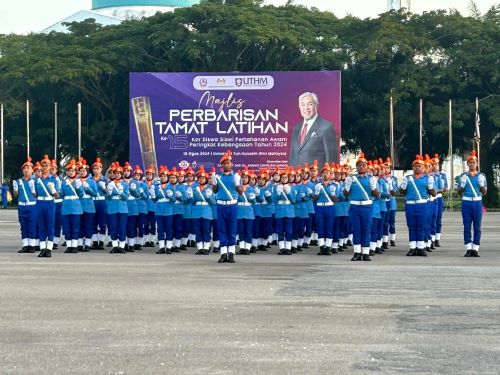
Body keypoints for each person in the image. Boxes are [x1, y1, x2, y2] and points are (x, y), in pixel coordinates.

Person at [343, 153, 380, 261]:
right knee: (356, 229)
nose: (361, 167)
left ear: (367, 166)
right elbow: (345, 194)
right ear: (356, 166)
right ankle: (357, 252)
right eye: (359, 165)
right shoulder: (351, 178)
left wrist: (373, 187)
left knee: (366, 229)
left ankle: (366, 253)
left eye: (363, 165)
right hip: (354, 206)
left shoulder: (371, 178)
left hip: (367, 206)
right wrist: (347, 186)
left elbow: (378, 195)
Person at [288, 92, 338, 167]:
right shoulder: (296, 128)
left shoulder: (327, 127)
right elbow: (292, 156)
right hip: (297, 177)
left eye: (310, 104)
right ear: (299, 107)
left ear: (317, 106)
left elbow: (331, 159)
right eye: (303, 105)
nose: (306, 108)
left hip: (317, 177)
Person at [399, 155, 436, 257]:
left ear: (423, 167)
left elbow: (433, 193)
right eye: (415, 166)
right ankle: (412, 247)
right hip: (410, 204)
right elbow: (401, 192)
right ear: (413, 167)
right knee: (411, 226)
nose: (417, 168)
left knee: (421, 226)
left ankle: (421, 247)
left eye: (419, 166)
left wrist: (431, 187)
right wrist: (403, 185)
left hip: (422, 204)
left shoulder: (427, 178)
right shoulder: (408, 178)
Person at [211, 150, 243, 263]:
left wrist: (237, 184)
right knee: (222, 229)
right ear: (221, 165)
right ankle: (223, 254)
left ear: (232, 164)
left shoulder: (237, 176)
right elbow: (215, 191)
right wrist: (214, 183)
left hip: (232, 205)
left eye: (228, 163)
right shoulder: (218, 176)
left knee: (232, 229)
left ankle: (231, 253)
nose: (226, 165)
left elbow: (241, 192)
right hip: (220, 205)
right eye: (224, 163)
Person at [457, 150, 487, 257]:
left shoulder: (481, 176)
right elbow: (459, 192)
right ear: (467, 164)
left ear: (477, 164)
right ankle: (468, 248)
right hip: (466, 202)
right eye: (470, 162)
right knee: (467, 226)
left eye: (474, 162)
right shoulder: (463, 176)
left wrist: (481, 184)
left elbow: (484, 192)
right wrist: (462, 184)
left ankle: (476, 248)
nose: (472, 164)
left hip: (477, 202)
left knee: (477, 226)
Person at [13, 157, 37, 253]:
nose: (26, 170)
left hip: (32, 205)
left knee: (32, 225)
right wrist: (15, 188)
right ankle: (25, 245)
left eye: (29, 168)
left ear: (32, 170)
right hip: (22, 205)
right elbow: (16, 195)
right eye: (25, 168)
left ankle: (32, 245)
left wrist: (33, 189)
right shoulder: (19, 181)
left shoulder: (35, 181)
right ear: (22, 170)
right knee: (23, 226)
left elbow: (37, 195)